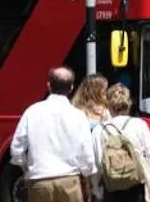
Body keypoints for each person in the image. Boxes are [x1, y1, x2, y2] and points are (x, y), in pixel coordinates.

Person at [11, 66, 97, 202]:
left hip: (39, 181)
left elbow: (16, 150)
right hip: (70, 181)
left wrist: (27, 170)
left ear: (49, 85)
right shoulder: (78, 116)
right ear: (72, 88)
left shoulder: (32, 112)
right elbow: (86, 154)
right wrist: (87, 179)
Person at [104, 83, 150, 198]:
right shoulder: (139, 125)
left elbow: (97, 163)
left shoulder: (100, 130)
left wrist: (95, 191)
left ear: (108, 105)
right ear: (129, 103)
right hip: (137, 185)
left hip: (110, 188)